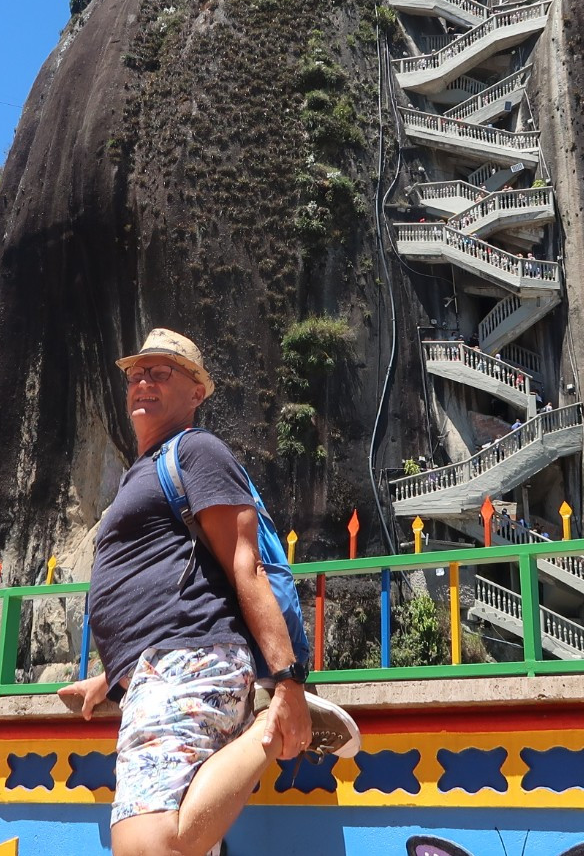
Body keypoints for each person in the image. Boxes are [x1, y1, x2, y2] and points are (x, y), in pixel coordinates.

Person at [57, 329, 359, 856]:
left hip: (189, 659)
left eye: (161, 372)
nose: (143, 383)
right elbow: (170, 578)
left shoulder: (196, 450)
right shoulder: (140, 474)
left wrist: (288, 683)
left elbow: (245, 565)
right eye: (136, 374)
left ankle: (268, 723)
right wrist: (110, 677)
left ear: (196, 392)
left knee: (148, 846)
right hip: (155, 670)